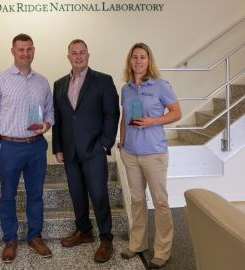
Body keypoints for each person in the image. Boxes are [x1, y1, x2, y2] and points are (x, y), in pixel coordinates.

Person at [0, 33, 54, 263]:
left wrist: (47, 124)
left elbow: (50, 111)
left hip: (36, 146)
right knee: (8, 196)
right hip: (9, 147)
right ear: (12, 51)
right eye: (21, 49)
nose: (25, 53)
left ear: (34, 51)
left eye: (29, 49)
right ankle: (10, 240)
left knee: (36, 195)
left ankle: (35, 237)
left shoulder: (42, 81)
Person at [52, 39, 120, 263]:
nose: (78, 56)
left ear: (88, 55)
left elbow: (112, 114)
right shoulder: (59, 84)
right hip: (70, 152)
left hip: (94, 150)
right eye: (74, 53)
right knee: (77, 195)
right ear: (68, 56)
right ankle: (84, 231)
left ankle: (106, 238)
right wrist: (58, 147)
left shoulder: (103, 81)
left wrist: (104, 144)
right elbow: (59, 119)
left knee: (99, 195)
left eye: (82, 53)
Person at [118, 42, 182, 269]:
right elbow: (125, 116)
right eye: (135, 57)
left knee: (160, 203)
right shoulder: (126, 88)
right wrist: (122, 141)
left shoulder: (160, 85)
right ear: (130, 61)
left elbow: (177, 113)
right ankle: (137, 244)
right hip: (131, 154)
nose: (138, 61)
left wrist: (153, 121)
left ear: (149, 60)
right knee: (137, 201)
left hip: (154, 153)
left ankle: (162, 251)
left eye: (143, 57)